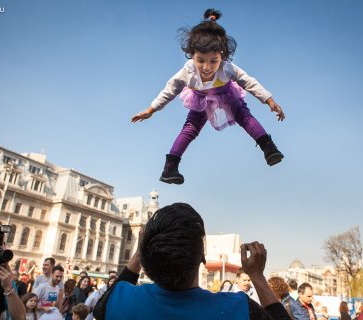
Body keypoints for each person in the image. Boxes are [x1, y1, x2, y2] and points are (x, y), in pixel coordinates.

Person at [131, 9, 285, 185]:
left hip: (226, 95)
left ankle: (268, 147)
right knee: (190, 128)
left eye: (213, 60)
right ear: (192, 55)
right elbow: (169, 90)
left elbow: (249, 82)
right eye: (200, 60)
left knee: (243, 115)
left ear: (222, 56)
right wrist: (151, 109)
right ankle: (170, 168)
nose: (206, 67)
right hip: (201, 100)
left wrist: (269, 100)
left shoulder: (227, 68)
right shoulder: (187, 72)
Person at [93, 202, 291, 320]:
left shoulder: (120, 302)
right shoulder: (237, 309)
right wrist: (257, 276)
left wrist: (139, 254)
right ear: (203, 257)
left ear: (145, 257)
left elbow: (105, 303)